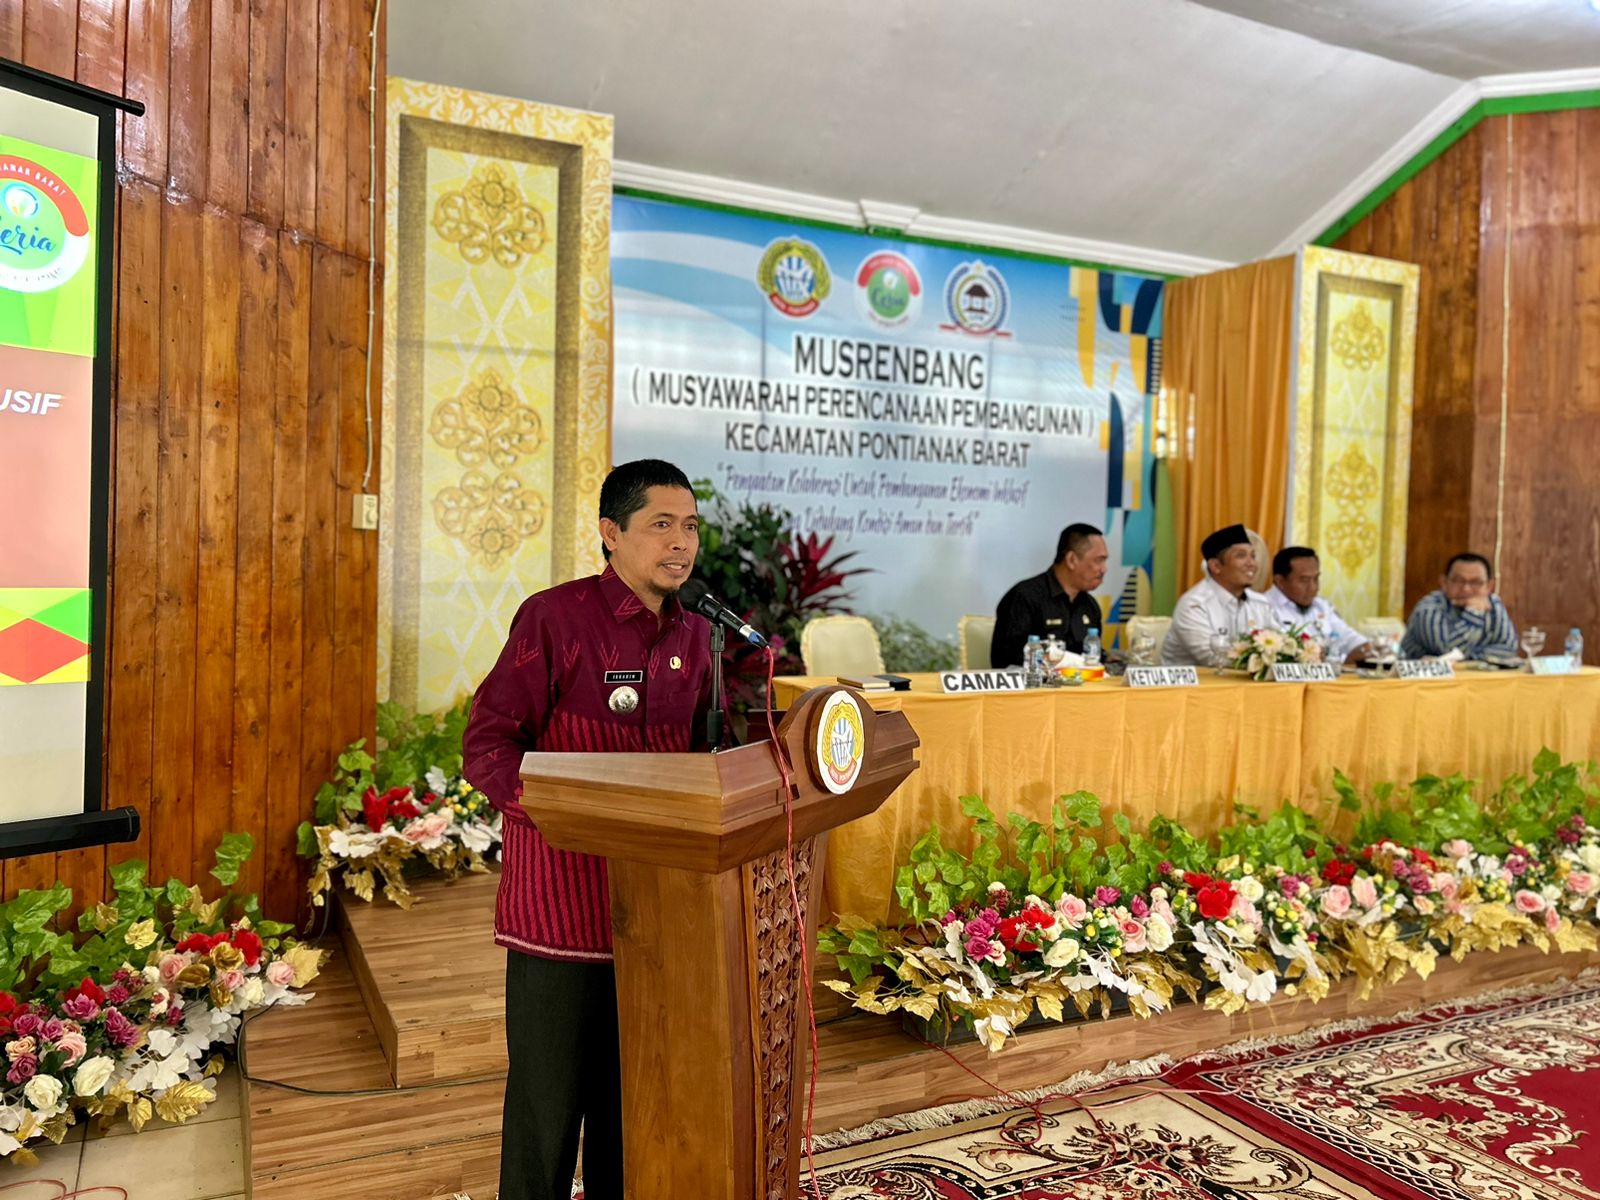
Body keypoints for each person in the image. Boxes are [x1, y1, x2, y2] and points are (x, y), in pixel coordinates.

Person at [463, 459, 715, 1200]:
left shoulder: (698, 635)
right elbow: (488, 746)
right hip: (561, 911)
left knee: (630, 1102)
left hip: (657, 912)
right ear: (611, 534)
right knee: (547, 1108)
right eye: (661, 525)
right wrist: (553, 809)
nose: (681, 543)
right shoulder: (556, 618)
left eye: (691, 526)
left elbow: (704, 760)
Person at [1162, 523, 1281, 667]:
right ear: (1216, 566)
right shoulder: (1194, 605)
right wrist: (1264, 660)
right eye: (1241, 556)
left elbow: (1281, 643)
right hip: (1194, 687)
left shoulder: (1261, 603)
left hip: (1244, 686)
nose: (1252, 564)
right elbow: (1212, 658)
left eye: (1253, 556)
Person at [990, 523, 1108, 667]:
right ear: (1071, 560)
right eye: (1098, 560)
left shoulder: (1090, 606)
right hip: (1034, 686)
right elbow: (1006, 658)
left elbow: (1093, 657)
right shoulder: (1025, 597)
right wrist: (1061, 660)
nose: (1104, 569)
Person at [1401, 552, 1518, 660]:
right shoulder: (1429, 608)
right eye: (1458, 581)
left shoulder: (1494, 603)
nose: (1466, 589)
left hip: (1478, 678)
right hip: (1426, 679)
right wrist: (1473, 613)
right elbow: (1447, 653)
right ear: (1444, 583)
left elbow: (1509, 648)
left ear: (1489, 586)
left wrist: (1471, 654)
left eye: (1476, 582)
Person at [1266, 546, 1373, 664]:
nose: (1314, 588)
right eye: (1304, 580)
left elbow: (1359, 644)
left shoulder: (1321, 606)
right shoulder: (1262, 608)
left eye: (1316, 579)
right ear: (1280, 581)